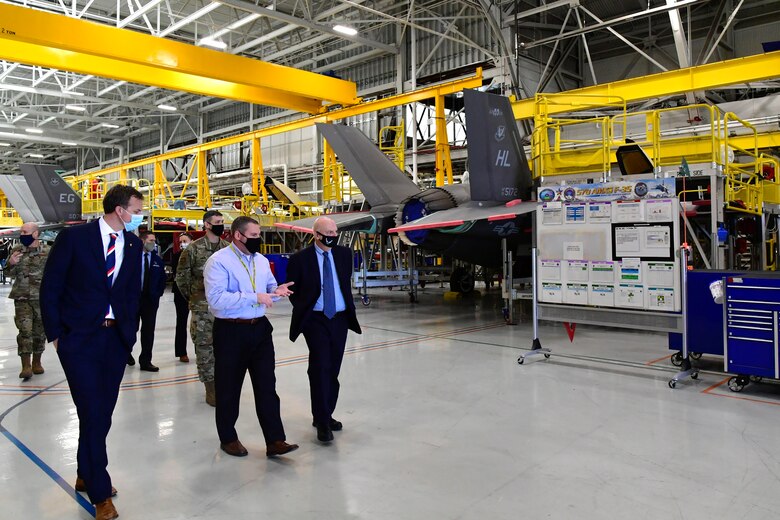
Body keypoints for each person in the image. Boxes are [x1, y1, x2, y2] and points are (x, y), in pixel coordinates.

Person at [40, 184, 144, 520]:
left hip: (115, 341)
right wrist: (57, 336)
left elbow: (130, 293)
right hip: (79, 341)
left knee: (101, 412)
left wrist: (129, 333)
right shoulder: (75, 239)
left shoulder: (133, 243)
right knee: (93, 410)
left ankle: (86, 470)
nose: (139, 217)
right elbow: (51, 287)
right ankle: (100, 492)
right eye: (136, 210)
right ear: (119, 210)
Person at [203, 216, 298, 458]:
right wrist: (254, 297)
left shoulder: (262, 261)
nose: (259, 239)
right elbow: (217, 299)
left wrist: (276, 292)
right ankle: (228, 437)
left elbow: (268, 290)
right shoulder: (218, 262)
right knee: (229, 389)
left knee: (267, 386)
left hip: (260, 329)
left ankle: (275, 440)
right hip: (230, 331)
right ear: (238, 235)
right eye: (254, 235)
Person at [286, 216, 361, 443]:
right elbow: (293, 291)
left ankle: (326, 412)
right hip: (316, 320)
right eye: (328, 234)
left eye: (334, 233)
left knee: (333, 369)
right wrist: (306, 313)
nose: (332, 237)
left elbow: (343, 284)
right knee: (320, 367)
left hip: (339, 319)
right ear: (316, 235)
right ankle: (322, 420)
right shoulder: (300, 259)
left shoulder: (344, 255)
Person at [175, 211, 228, 406]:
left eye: (222, 222)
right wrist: (195, 298)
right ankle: (210, 388)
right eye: (217, 222)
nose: (221, 225)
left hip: (224, 308)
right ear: (206, 225)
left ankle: (223, 384)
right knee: (204, 348)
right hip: (202, 307)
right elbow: (182, 277)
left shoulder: (227, 249)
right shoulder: (193, 249)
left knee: (223, 347)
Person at [7, 222, 50, 379]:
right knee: (25, 331)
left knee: (39, 332)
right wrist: (10, 264)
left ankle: (37, 362)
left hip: (41, 299)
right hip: (22, 297)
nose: (22, 234)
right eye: (21, 231)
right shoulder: (16, 250)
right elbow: (8, 273)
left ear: (36, 234)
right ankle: (26, 365)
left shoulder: (47, 251)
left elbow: (55, 274)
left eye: (25, 231)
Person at [127, 231, 167, 371]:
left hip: (150, 301)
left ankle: (146, 360)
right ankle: (126, 353)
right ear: (142, 241)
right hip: (133, 300)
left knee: (148, 331)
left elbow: (162, 279)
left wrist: (157, 294)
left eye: (154, 241)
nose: (153, 243)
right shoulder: (131, 258)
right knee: (131, 329)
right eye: (150, 240)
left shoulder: (157, 260)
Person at [171, 232, 193, 362]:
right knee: (181, 322)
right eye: (180, 242)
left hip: (196, 292)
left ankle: (201, 350)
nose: (182, 244)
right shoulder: (176, 256)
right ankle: (181, 352)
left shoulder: (197, 255)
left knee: (200, 322)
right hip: (180, 292)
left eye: (185, 241)